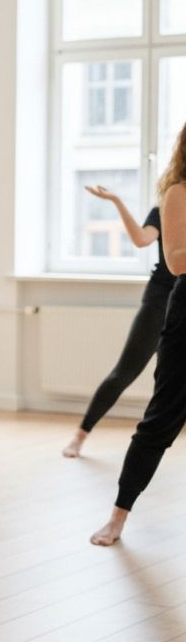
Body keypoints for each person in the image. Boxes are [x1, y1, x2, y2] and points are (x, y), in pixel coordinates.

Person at [90, 123, 186, 547]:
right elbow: (177, 260)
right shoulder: (177, 192)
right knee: (160, 422)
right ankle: (118, 515)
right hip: (182, 315)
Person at [62, 187, 174, 458]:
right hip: (159, 301)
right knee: (125, 371)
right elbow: (141, 239)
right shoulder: (164, 210)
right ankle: (80, 435)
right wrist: (116, 201)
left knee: (171, 382)